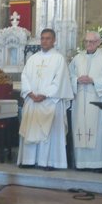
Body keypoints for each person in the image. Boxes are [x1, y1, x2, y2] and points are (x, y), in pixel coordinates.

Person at [18, 29, 74, 171]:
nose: (44, 41)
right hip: (32, 101)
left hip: (50, 101)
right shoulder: (33, 58)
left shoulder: (59, 59)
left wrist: (44, 95)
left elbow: (60, 81)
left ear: (54, 40)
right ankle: (28, 160)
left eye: (48, 38)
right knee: (31, 128)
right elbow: (24, 76)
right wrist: (30, 93)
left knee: (49, 132)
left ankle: (48, 162)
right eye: (42, 38)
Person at [69, 31, 102, 172]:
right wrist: (76, 80)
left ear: (98, 43)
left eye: (91, 42)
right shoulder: (78, 58)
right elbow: (69, 75)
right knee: (80, 129)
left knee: (99, 131)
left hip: (98, 101)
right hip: (80, 102)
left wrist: (93, 81)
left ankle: (99, 164)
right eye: (86, 41)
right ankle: (81, 163)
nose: (88, 44)